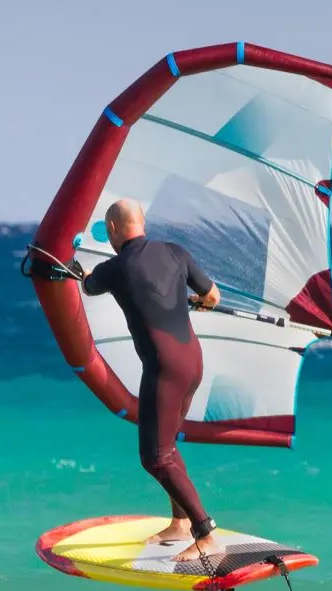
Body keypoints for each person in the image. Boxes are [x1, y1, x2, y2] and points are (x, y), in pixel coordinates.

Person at [81, 198, 221, 562]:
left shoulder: (115, 267)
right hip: (192, 361)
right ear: (143, 223)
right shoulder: (176, 252)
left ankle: (205, 533)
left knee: (155, 457)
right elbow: (212, 296)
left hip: (164, 368)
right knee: (168, 446)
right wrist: (196, 301)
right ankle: (181, 523)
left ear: (112, 229)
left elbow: (89, 286)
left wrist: (78, 272)